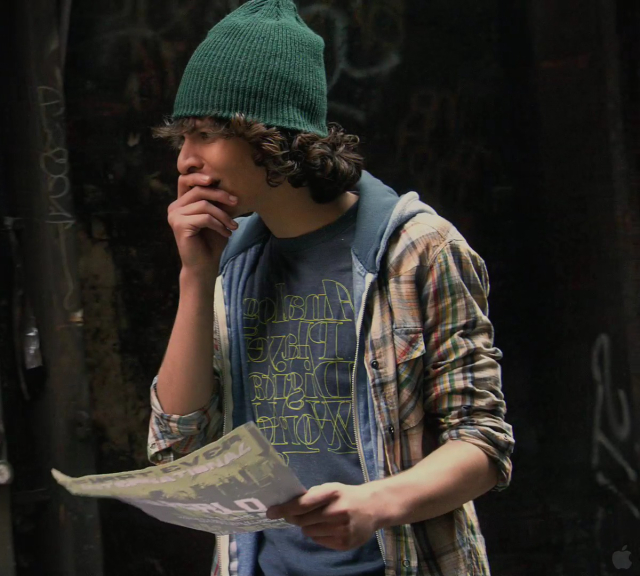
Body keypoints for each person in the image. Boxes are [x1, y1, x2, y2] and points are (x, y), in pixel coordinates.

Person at [146, 1, 515, 575]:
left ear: (271, 136)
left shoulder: (416, 249)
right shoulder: (230, 260)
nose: (185, 160)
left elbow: (483, 443)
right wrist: (196, 277)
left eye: (206, 134)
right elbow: (176, 446)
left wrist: (377, 504)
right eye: (182, 138)